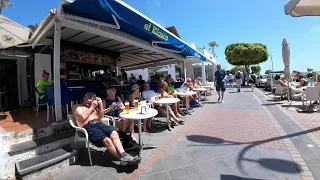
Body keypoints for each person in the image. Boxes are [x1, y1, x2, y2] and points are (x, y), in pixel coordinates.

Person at [73, 92, 141, 166]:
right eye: (89, 98)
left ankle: (124, 156)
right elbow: (83, 118)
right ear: (84, 98)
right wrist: (92, 107)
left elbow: (101, 116)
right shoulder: (78, 107)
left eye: (92, 99)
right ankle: (125, 158)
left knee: (114, 133)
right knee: (107, 141)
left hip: (99, 124)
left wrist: (101, 105)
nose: (90, 101)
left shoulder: (93, 108)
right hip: (88, 127)